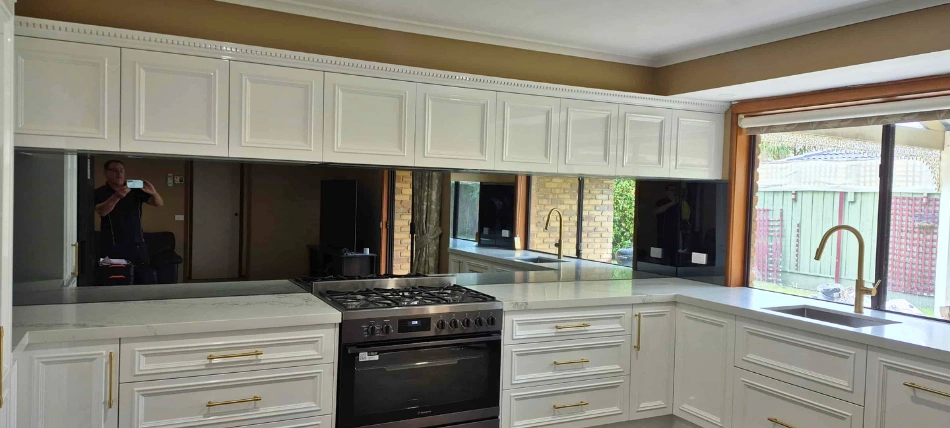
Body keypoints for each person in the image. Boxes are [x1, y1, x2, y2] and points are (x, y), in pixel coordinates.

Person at [94, 160, 164, 284]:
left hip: (137, 244)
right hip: (112, 245)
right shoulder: (99, 192)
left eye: (121, 170)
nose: (119, 173)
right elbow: (102, 211)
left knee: (143, 281)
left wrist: (154, 192)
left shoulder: (135, 190)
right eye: (114, 170)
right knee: (116, 282)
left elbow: (158, 204)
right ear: (106, 173)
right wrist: (116, 196)